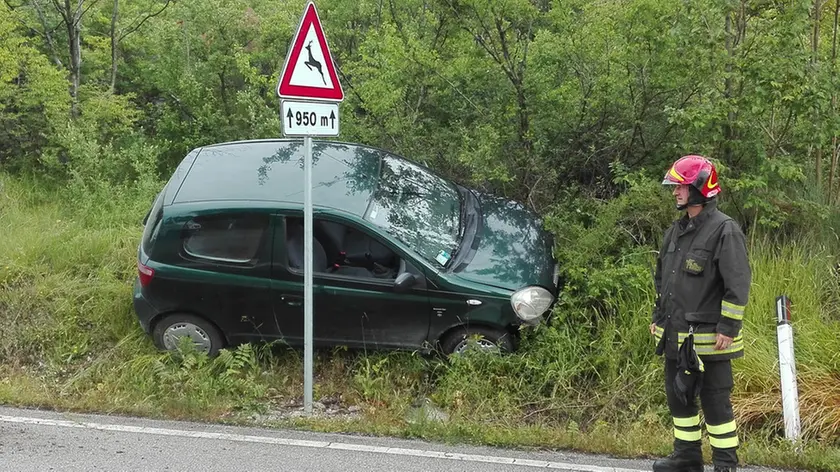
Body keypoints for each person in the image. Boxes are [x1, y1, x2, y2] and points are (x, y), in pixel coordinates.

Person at [650, 155, 752, 472]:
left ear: (699, 187)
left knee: (715, 402)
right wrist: (658, 317)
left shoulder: (724, 230)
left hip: (712, 341)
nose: (675, 192)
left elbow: (738, 282)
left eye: (680, 186)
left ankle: (725, 464)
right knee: (678, 397)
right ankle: (687, 458)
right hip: (675, 335)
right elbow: (662, 280)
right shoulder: (676, 232)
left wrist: (728, 326)